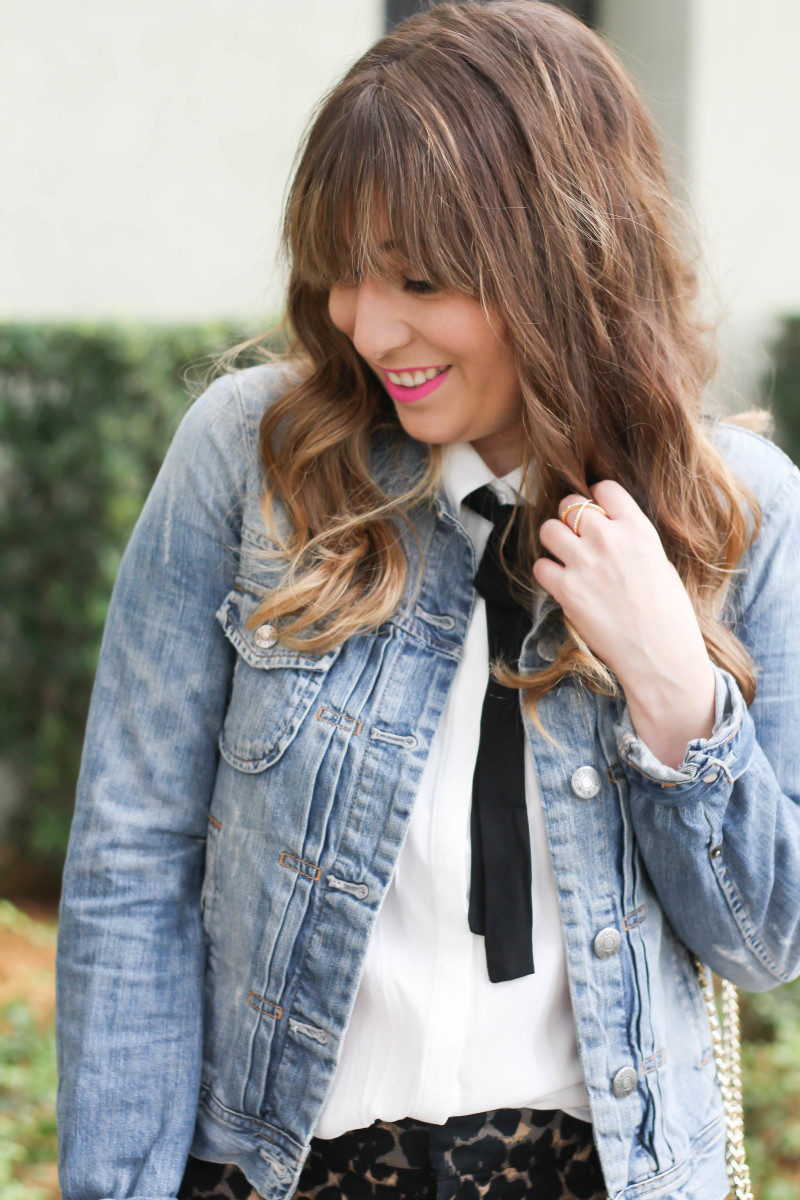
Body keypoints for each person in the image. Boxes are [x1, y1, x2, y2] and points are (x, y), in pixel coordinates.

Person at [55, 2, 800, 1198]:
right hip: (282, 1170)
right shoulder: (250, 463)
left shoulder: (733, 510)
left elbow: (763, 942)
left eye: (418, 277)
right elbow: (130, 866)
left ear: (561, 263)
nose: (367, 323)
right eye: (343, 271)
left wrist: (670, 679)